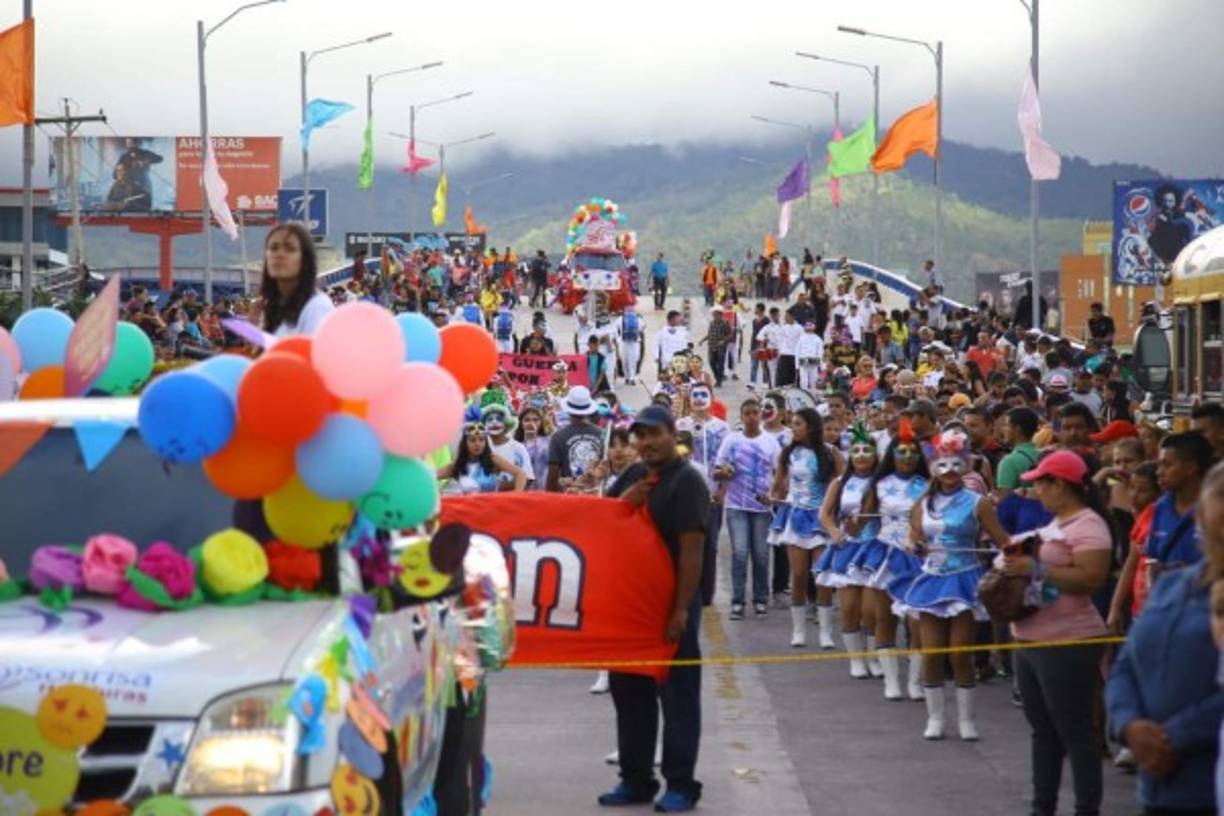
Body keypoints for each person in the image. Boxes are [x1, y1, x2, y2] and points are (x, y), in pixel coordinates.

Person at [601, 405, 708, 813]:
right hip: (632, 608)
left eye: (653, 435)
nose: (645, 444)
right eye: (639, 437)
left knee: (678, 698)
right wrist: (625, 500)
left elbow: (692, 553)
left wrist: (681, 610)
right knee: (629, 693)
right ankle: (636, 779)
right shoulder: (632, 475)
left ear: (672, 433)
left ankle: (681, 784)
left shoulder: (688, 482)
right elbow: (605, 524)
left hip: (671, 607)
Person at [1106, 461, 1224, 816]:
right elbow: (1127, 663)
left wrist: (1171, 738)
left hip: (1205, 779)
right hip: (1159, 786)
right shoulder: (1173, 584)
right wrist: (1128, 724)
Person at [1001, 450, 1113, 816]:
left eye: (1041, 484)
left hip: (1068, 640)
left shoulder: (1088, 526)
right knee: (1043, 730)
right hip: (1030, 638)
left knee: (1075, 730)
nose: (1037, 492)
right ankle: (1043, 806)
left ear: (1060, 485)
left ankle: (1086, 808)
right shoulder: (1053, 526)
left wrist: (1035, 568)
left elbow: (1090, 579)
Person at [893, 430, 1011, 741]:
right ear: (932, 466)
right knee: (932, 653)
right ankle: (935, 718)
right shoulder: (924, 502)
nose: (948, 471)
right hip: (931, 579)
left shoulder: (978, 503)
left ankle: (966, 720)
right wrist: (912, 544)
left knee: (960, 653)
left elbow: (1002, 541)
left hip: (965, 579)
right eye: (941, 464)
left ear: (965, 464)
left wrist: (1009, 559)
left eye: (955, 463)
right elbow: (914, 534)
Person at [854, 424, 930, 700]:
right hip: (884, 554)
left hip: (916, 558)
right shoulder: (879, 484)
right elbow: (863, 522)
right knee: (884, 618)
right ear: (892, 455)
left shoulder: (928, 484)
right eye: (901, 452)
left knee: (916, 620)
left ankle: (915, 681)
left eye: (912, 452)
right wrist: (846, 525)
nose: (907, 457)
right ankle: (891, 680)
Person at [769, 407, 842, 647]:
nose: (793, 428)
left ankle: (825, 631)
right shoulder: (788, 453)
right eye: (792, 424)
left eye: (797, 424)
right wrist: (771, 496)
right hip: (796, 516)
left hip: (821, 518)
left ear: (810, 426)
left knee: (820, 575)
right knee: (798, 575)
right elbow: (778, 485)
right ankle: (798, 629)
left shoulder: (832, 453)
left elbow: (843, 485)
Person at [815, 426, 881, 678]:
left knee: (871, 611)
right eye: (857, 450)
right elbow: (825, 513)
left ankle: (874, 656)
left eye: (867, 450)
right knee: (850, 607)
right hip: (847, 548)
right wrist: (833, 531)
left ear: (876, 455)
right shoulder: (840, 482)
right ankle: (856, 658)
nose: (862, 455)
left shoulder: (883, 483)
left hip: (874, 549)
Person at [713, 398, 782, 619]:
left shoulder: (770, 442)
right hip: (736, 506)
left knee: (761, 554)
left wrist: (772, 497)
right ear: (741, 417)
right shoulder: (731, 440)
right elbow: (716, 470)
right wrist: (724, 473)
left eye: (755, 413)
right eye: (747, 414)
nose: (752, 417)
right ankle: (738, 601)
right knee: (740, 553)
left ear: (761, 415)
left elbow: (780, 475)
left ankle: (761, 599)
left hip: (762, 508)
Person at [676, 383, 730, 608]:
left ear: (712, 397)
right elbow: (676, 456)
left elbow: (728, 462)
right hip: (687, 496)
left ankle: (706, 594)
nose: (699, 399)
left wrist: (722, 490)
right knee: (686, 545)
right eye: (695, 395)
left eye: (703, 395)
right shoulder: (680, 425)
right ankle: (687, 589)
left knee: (710, 546)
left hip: (712, 497)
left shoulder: (722, 428)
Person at [260, 222, 335, 337]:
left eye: (290, 249)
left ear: (305, 260)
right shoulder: (273, 306)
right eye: (274, 248)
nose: (279, 254)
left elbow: (312, 353)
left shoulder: (317, 306)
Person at [438, 422, 529, 493]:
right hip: (468, 512)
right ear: (465, 444)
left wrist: (516, 498)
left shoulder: (492, 460)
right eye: (472, 440)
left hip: (491, 512)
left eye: (481, 440)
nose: (477, 444)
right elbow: (430, 476)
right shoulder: (457, 465)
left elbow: (521, 474)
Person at [546, 386, 606, 492]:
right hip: (596, 495)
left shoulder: (558, 437)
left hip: (570, 498)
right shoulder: (602, 434)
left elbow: (552, 477)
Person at [482, 403, 534, 489]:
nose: (494, 422)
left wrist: (501, 487)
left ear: (506, 423)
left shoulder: (518, 448)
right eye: (490, 420)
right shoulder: (479, 447)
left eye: (499, 419)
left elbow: (528, 479)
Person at [516, 406, 553, 492]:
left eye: (535, 420)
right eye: (527, 420)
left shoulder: (549, 442)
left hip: (545, 491)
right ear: (521, 423)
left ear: (541, 422)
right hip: (523, 492)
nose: (531, 423)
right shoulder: (515, 445)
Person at [656, 311, 690, 379]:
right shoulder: (661, 332)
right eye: (678, 319)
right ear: (671, 320)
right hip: (666, 361)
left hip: (680, 361)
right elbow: (656, 345)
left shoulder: (683, 332)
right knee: (666, 381)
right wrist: (656, 357)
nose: (680, 321)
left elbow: (685, 346)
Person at [616, 304, 644, 385]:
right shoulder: (638, 319)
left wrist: (617, 338)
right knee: (633, 360)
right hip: (634, 343)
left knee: (625, 360)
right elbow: (641, 329)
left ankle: (627, 377)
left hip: (623, 342)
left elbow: (615, 329)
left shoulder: (620, 319)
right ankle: (632, 377)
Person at [774, 311, 802, 388]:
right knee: (781, 378)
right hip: (784, 355)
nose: (785, 318)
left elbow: (801, 342)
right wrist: (779, 351)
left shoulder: (799, 328)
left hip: (794, 355)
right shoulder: (783, 328)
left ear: (792, 317)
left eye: (787, 316)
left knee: (793, 378)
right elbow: (779, 340)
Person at [795, 322, 824, 391]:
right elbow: (820, 353)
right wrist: (821, 365)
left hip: (808, 359)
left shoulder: (802, 338)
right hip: (809, 360)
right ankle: (810, 395)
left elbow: (797, 352)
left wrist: (797, 365)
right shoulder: (817, 338)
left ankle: (810, 395)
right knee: (808, 381)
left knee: (808, 381)